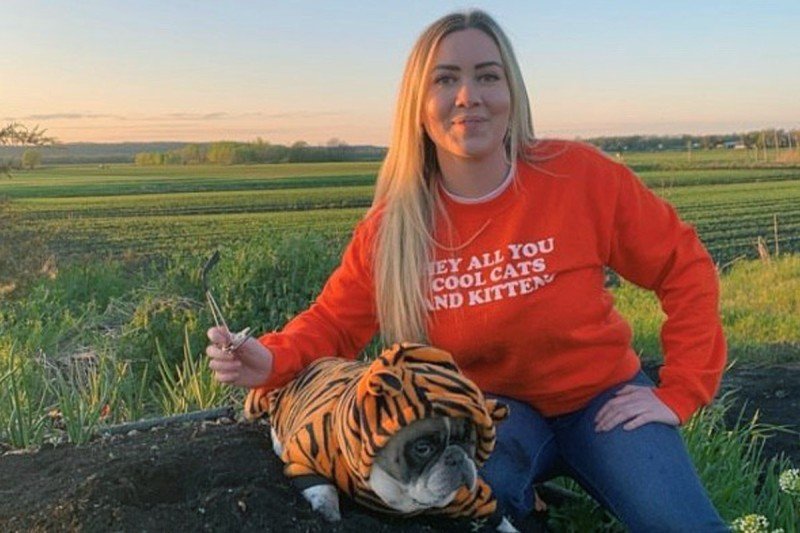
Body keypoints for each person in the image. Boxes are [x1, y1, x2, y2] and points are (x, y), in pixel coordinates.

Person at [206, 9, 728, 532]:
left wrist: (680, 391)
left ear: (512, 91)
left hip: (605, 403)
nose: (468, 96)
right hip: (484, 419)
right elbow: (334, 323)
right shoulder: (396, 227)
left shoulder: (578, 177)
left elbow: (684, 268)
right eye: (446, 79)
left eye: (487, 75)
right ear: (419, 103)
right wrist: (269, 360)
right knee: (462, 516)